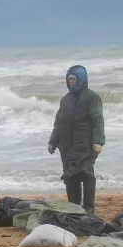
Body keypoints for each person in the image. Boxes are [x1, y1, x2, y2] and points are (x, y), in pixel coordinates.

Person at [48, 65, 105, 214]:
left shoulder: (92, 97)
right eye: (69, 80)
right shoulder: (65, 100)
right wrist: (52, 141)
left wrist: (98, 142)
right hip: (66, 145)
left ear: (81, 79)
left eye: (74, 79)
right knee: (70, 176)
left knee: (87, 174)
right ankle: (73, 209)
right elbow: (59, 122)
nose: (71, 82)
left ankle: (88, 209)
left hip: (85, 144)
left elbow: (97, 120)